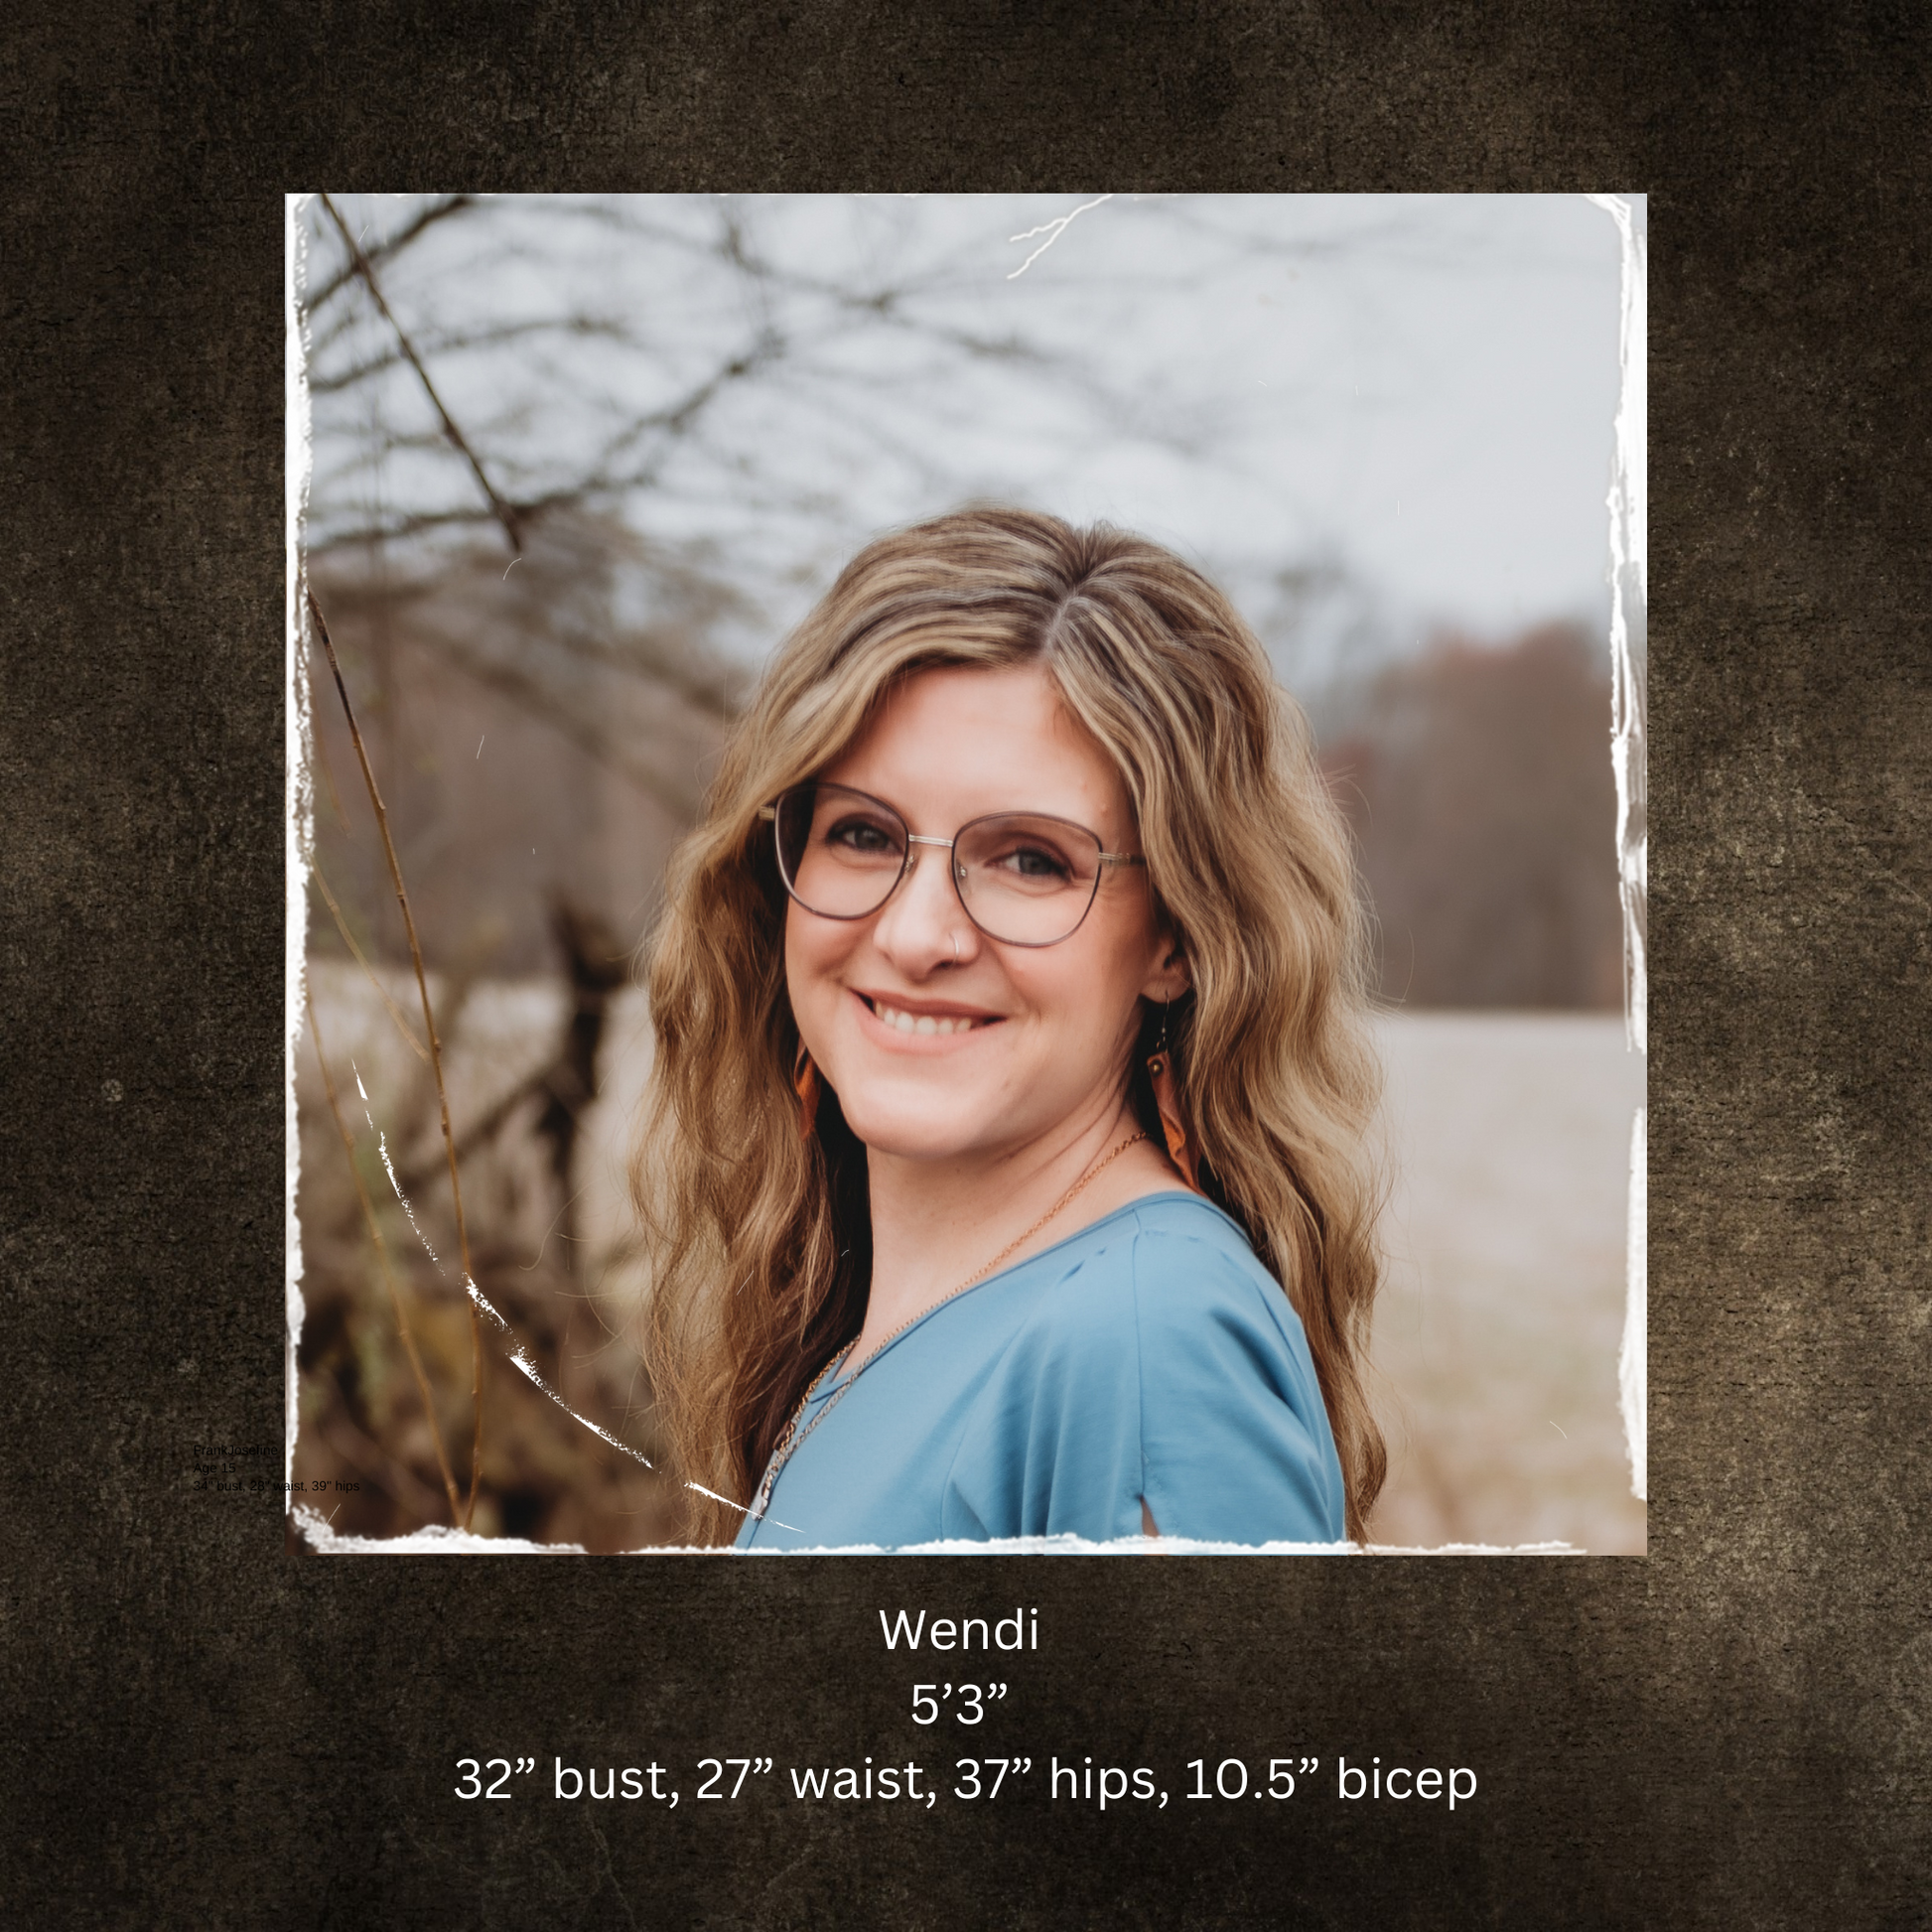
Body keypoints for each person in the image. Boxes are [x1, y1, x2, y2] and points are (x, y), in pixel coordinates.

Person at [634, 507, 1386, 1549]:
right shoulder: (877, 1331)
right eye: (861, 833)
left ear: (1176, 934)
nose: (914, 934)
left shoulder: (1142, 1345)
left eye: (1030, 858)